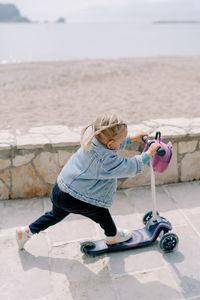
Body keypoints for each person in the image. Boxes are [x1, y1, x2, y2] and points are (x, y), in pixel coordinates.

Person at [16, 113, 161, 249]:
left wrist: (131, 138)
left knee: (54, 215)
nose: (123, 142)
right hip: (75, 197)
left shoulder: (93, 138)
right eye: (122, 141)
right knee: (101, 213)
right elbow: (127, 166)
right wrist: (148, 154)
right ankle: (112, 236)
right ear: (110, 143)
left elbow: (110, 145)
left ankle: (27, 231)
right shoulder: (105, 161)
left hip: (61, 188)